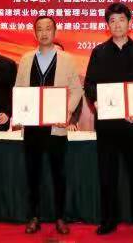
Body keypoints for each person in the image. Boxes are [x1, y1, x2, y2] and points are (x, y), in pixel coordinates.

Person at [84, 3, 133, 236]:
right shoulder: (99, 52)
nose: (117, 24)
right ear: (107, 25)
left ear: (129, 23)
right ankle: (108, 220)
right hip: (107, 124)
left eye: (121, 20)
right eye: (112, 21)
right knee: (107, 173)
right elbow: (89, 84)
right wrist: (95, 101)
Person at [14, 16, 83, 235]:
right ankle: (34, 217)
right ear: (35, 33)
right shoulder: (26, 59)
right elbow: (19, 90)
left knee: (58, 174)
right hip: (32, 127)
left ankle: (60, 218)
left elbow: (77, 90)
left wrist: (68, 112)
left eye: (48, 29)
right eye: (40, 29)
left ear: (55, 32)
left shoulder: (67, 59)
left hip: (56, 127)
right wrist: (20, 113)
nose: (44, 33)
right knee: (33, 173)